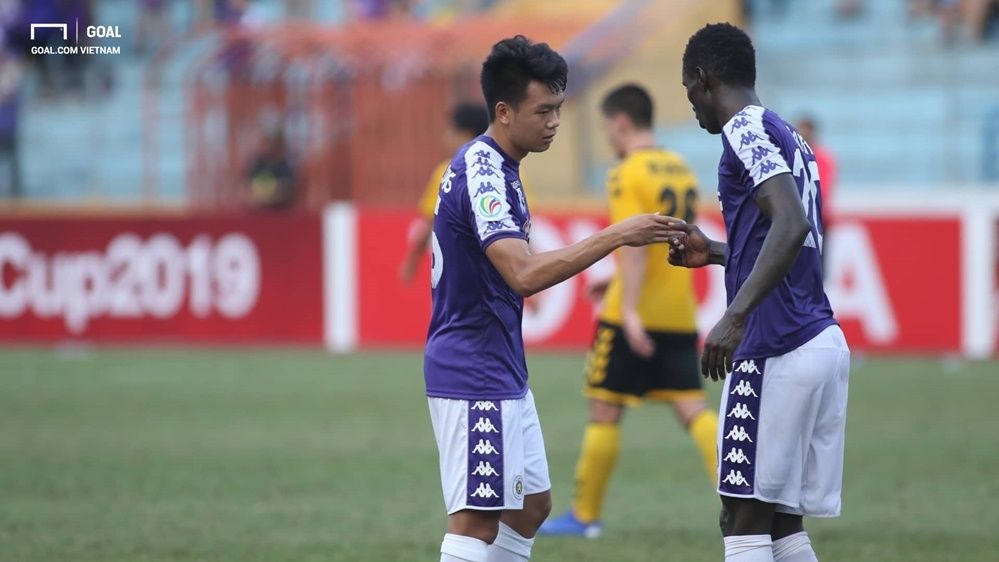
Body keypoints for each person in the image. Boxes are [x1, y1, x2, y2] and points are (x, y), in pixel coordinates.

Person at [424, 35, 683, 562]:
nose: (555, 122)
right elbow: (521, 273)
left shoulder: (504, 167)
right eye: (543, 110)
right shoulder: (484, 170)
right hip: (472, 370)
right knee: (474, 520)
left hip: (501, 366)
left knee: (531, 506)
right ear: (503, 111)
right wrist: (616, 235)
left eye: (559, 109)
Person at [672, 23, 850, 562]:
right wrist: (719, 252)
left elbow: (791, 225)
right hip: (818, 339)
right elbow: (793, 237)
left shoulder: (744, 131)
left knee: (741, 515)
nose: (694, 109)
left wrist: (735, 315)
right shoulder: (787, 132)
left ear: (703, 80)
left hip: (777, 345)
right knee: (780, 522)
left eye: (690, 95)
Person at [540, 84, 718, 538]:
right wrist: (615, 278)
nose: (607, 137)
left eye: (606, 128)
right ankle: (743, 500)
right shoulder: (680, 168)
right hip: (678, 310)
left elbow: (635, 247)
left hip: (630, 314)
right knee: (692, 408)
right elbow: (669, 245)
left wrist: (632, 309)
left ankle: (583, 517)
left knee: (604, 409)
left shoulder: (625, 173)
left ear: (621, 122)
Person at [399, 102, 490, 283]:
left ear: (465, 135)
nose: (445, 137)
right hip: (493, 271)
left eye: (450, 132)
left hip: (458, 270)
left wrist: (412, 261)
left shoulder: (446, 171)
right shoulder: (507, 170)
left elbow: (428, 221)